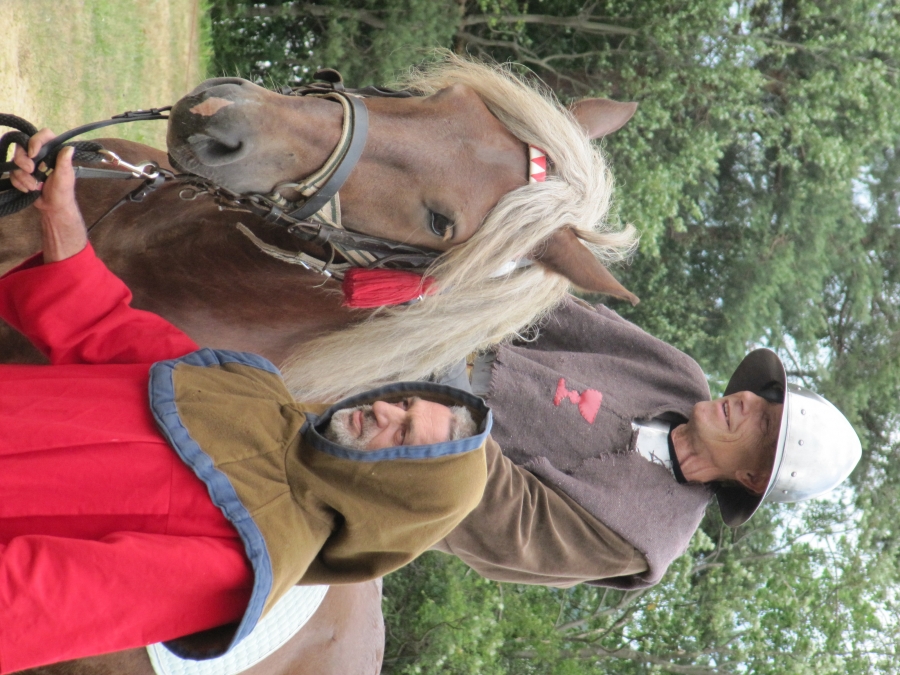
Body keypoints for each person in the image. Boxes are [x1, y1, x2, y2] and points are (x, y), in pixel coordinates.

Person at [0, 133, 490, 673]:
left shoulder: (247, 559)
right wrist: (60, 215)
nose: (385, 411)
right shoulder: (257, 389)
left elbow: (31, 601)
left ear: (391, 491)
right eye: (405, 404)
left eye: (402, 434)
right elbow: (102, 329)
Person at [433, 300, 863, 589]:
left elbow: (502, 523)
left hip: (422, 446)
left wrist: (449, 410)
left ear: (752, 476)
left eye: (764, 423)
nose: (747, 400)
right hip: (444, 328)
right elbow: (551, 310)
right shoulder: (679, 374)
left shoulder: (645, 538)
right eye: (765, 397)